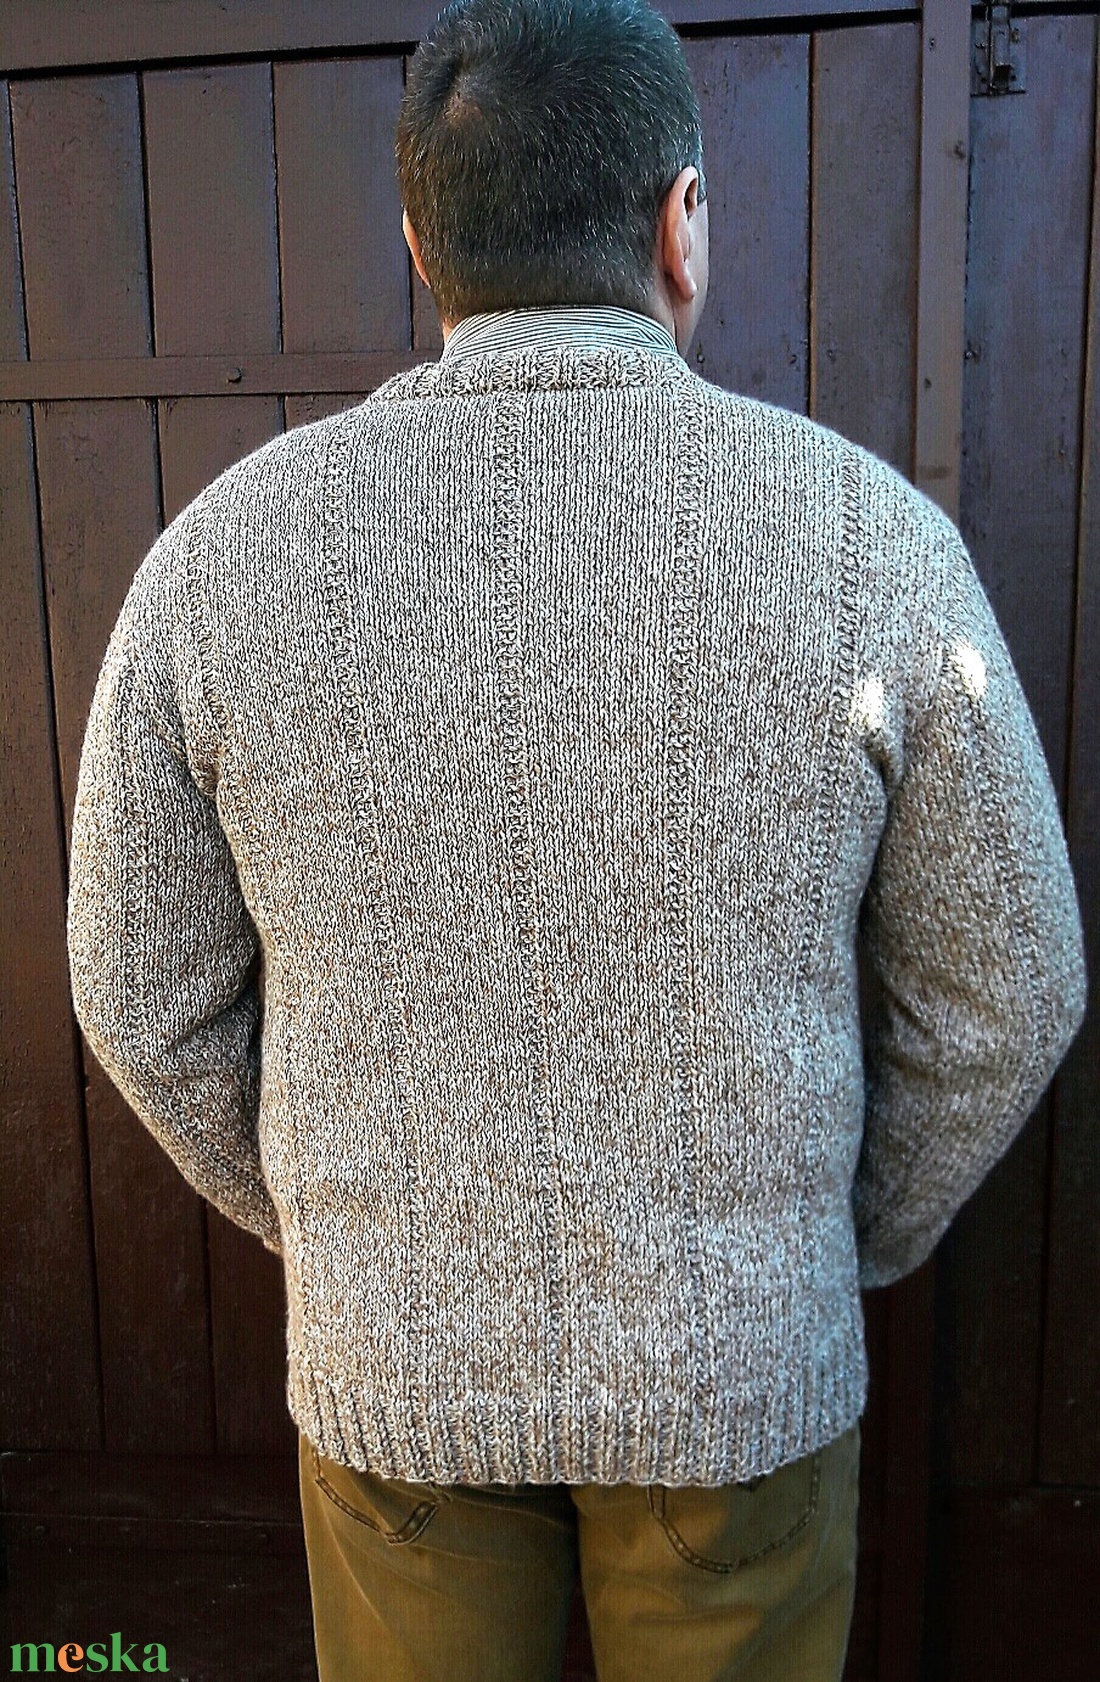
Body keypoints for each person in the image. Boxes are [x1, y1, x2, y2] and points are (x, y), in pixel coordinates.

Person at [65, 1, 1087, 1678]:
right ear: (682, 221)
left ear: (421, 245)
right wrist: (820, 1237)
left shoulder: (217, 564)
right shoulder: (872, 542)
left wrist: (347, 1221)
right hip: (737, 1380)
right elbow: (1012, 984)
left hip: (400, 1374)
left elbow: (136, 992)